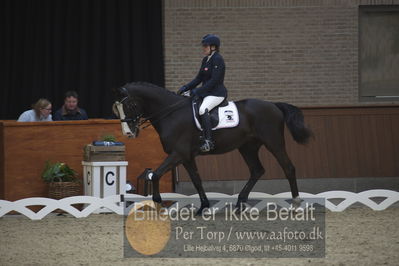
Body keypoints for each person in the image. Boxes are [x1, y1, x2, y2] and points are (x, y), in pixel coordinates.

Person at [178, 34, 227, 152]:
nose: (203, 48)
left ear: (213, 47)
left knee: (202, 109)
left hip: (216, 93)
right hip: (207, 92)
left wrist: (195, 91)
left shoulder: (218, 59)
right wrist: (185, 87)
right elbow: (199, 78)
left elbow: (214, 81)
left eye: (206, 46)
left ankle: (208, 141)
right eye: (203, 46)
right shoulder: (206, 60)